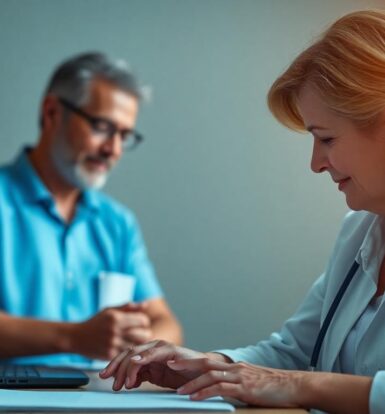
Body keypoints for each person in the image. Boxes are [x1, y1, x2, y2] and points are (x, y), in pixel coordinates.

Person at [100, 9, 385, 414]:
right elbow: (289, 354)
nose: (316, 163)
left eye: (326, 138)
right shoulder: (357, 234)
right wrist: (202, 367)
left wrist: (300, 385)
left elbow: (291, 378)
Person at [0, 52, 182, 367]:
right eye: (102, 127)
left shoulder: (118, 224)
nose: (112, 149)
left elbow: (168, 325)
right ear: (52, 112)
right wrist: (75, 337)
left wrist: (136, 338)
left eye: (124, 136)